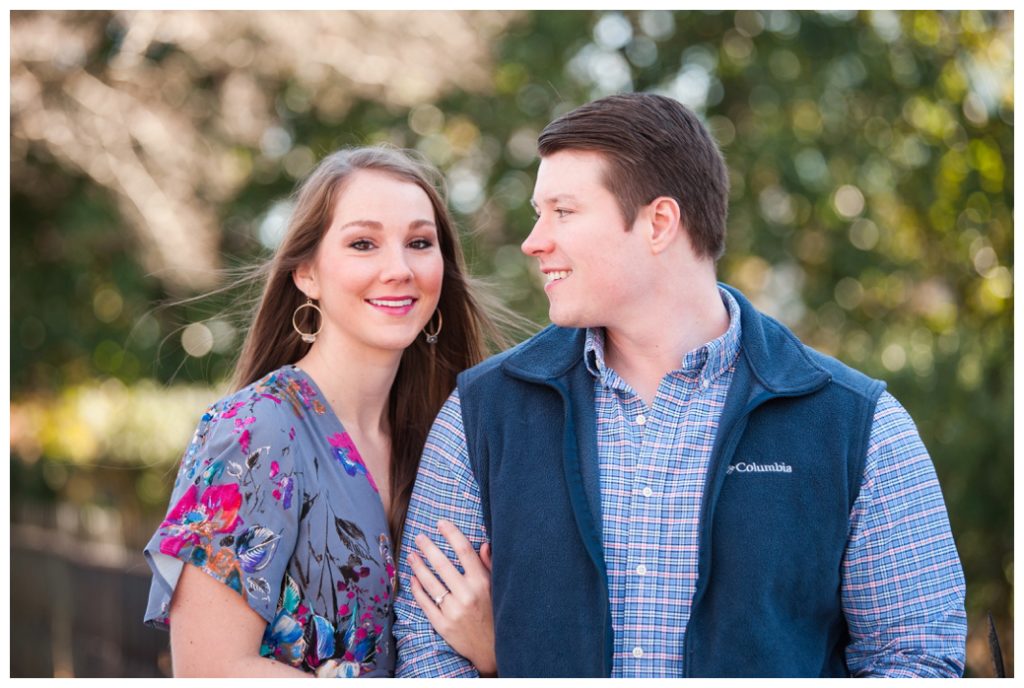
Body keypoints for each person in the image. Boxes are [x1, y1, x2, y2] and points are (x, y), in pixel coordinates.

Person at [394, 93, 967, 677]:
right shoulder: (481, 412)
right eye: (539, 213)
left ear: (659, 223)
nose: (533, 240)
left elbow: (916, 657)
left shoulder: (858, 424)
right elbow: (425, 644)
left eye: (563, 212)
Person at [143, 146, 501, 677]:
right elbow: (208, 670)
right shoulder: (255, 432)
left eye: (419, 243)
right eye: (363, 244)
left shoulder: (451, 436)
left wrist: (494, 651)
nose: (400, 269)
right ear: (306, 273)